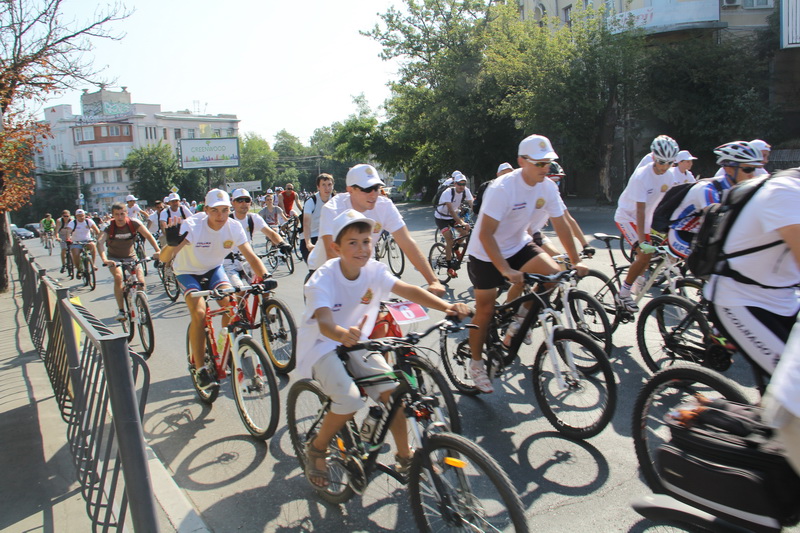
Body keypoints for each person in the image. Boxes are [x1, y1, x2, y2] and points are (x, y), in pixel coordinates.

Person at [297, 209, 470, 488]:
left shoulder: (374, 270)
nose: (362, 248)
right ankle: (317, 447)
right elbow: (326, 325)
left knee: (395, 394)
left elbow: (408, 290)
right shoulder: (322, 278)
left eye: (366, 241)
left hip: (360, 342)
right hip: (324, 345)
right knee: (351, 399)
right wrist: (343, 333)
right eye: (352, 242)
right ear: (335, 247)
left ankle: (405, 456)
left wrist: (448, 307)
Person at [464, 134, 588, 393]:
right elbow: (485, 234)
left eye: (549, 164)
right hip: (486, 253)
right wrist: (505, 270)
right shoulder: (503, 188)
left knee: (554, 275)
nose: (546, 169)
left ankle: (518, 321)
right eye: (540, 164)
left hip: (518, 244)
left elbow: (562, 224)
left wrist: (575, 261)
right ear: (522, 161)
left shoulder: (547, 186)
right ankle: (475, 363)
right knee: (484, 312)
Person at [159, 189, 270, 391]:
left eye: (225, 211)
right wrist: (170, 244)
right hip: (187, 272)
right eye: (215, 211)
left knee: (232, 306)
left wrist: (266, 278)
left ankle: (221, 347)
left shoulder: (233, 227)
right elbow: (164, 258)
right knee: (200, 314)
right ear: (206, 209)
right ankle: (200, 368)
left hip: (213, 270)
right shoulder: (192, 226)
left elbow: (251, 256)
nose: (220, 216)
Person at [704, 166, 800, 376]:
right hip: (741, 298)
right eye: (746, 168)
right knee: (793, 383)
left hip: (784, 297)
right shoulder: (786, 191)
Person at [309, 163, 446, 296]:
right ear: (350, 190)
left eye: (376, 188)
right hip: (326, 276)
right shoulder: (332, 209)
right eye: (367, 189)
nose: (373, 194)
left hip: (362, 270)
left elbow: (407, 242)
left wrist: (433, 281)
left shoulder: (384, 206)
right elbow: (332, 254)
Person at [614, 134, 680, 312]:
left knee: (648, 258)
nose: (664, 167)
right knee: (644, 254)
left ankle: (636, 278)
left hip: (644, 219)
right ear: (653, 157)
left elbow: (670, 205)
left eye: (669, 163)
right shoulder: (642, 176)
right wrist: (642, 241)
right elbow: (640, 210)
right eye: (661, 162)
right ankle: (623, 294)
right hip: (627, 216)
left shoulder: (669, 176)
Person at [667, 141, 763, 259]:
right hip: (682, 234)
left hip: (701, 232)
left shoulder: (737, 189)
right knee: (720, 262)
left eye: (754, 170)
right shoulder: (708, 189)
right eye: (748, 169)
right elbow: (716, 222)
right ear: (729, 169)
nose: (752, 175)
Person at [97, 202, 161, 321]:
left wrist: (158, 250)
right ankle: (121, 311)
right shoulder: (108, 226)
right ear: (113, 215)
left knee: (141, 281)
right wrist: (105, 259)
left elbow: (148, 235)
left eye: (122, 214)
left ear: (127, 213)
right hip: (114, 258)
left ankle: (142, 306)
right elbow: (100, 242)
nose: (120, 217)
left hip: (131, 257)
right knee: (118, 277)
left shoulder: (134, 223)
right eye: (117, 214)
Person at [224, 188, 289, 287]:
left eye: (247, 200)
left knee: (266, 285)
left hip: (248, 261)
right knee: (240, 290)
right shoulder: (226, 221)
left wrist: (282, 243)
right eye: (240, 200)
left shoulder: (253, 218)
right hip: (229, 263)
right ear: (233, 203)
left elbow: (271, 234)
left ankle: (265, 302)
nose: (244, 203)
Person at [528, 162, 595, 258]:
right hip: (521, 235)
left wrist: (585, 245)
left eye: (557, 182)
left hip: (535, 233)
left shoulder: (553, 194)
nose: (555, 185)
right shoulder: (532, 192)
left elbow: (568, 220)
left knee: (560, 260)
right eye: (553, 181)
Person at [434, 173, 473, 267]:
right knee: (450, 240)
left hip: (451, 217)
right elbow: (451, 211)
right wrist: (463, 222)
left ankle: (456, 248)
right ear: (455, 184)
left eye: (463, 184)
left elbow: (473, 205)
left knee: (465, 233)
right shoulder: (448, 192)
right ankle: (449, 265)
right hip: (441, 218)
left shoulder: (466, 191)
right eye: (459, 184)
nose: (461, 186)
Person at [300, 173, 334, 263]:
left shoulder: (335, 200)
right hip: (311, 237)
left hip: (329, 236)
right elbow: (306, 224)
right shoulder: (311, 201)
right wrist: (308, 243)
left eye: (329, 185)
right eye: (323, 185)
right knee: (315, 268)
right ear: (318, 187)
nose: (327, 188)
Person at [63, 209, 101, 275]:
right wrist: (68, 239)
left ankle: (93, 264)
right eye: (80, 216)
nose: (82, 217)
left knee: (93, 246)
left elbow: (97, 230)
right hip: (76, 241)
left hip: (87, 240)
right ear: (76, 216)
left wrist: (99, 237)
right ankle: (79, 269)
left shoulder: (88, 221)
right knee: (76, 254)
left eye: (83, 216)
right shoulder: (73, 223)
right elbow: (68, 232)